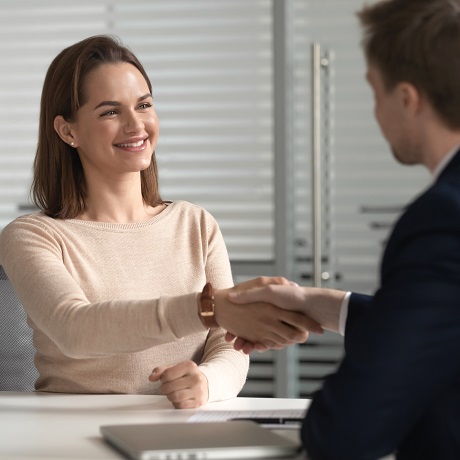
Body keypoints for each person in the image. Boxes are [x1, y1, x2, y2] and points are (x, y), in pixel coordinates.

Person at [0, 35, 321, 409]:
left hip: (179, 429)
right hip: (71, 433)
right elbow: (74, 328)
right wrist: (207, 308)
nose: (136, 125)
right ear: (68, 130)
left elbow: (227, 344)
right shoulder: (33, 236)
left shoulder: (196, 225)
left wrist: (206, 381)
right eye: (110, 111)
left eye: (144, 105)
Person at [227, 0, 460, 458]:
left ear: (407, 99)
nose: (375, 113)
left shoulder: (441, 218)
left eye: (375, 92)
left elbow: (345, 431)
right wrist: (322, 305)